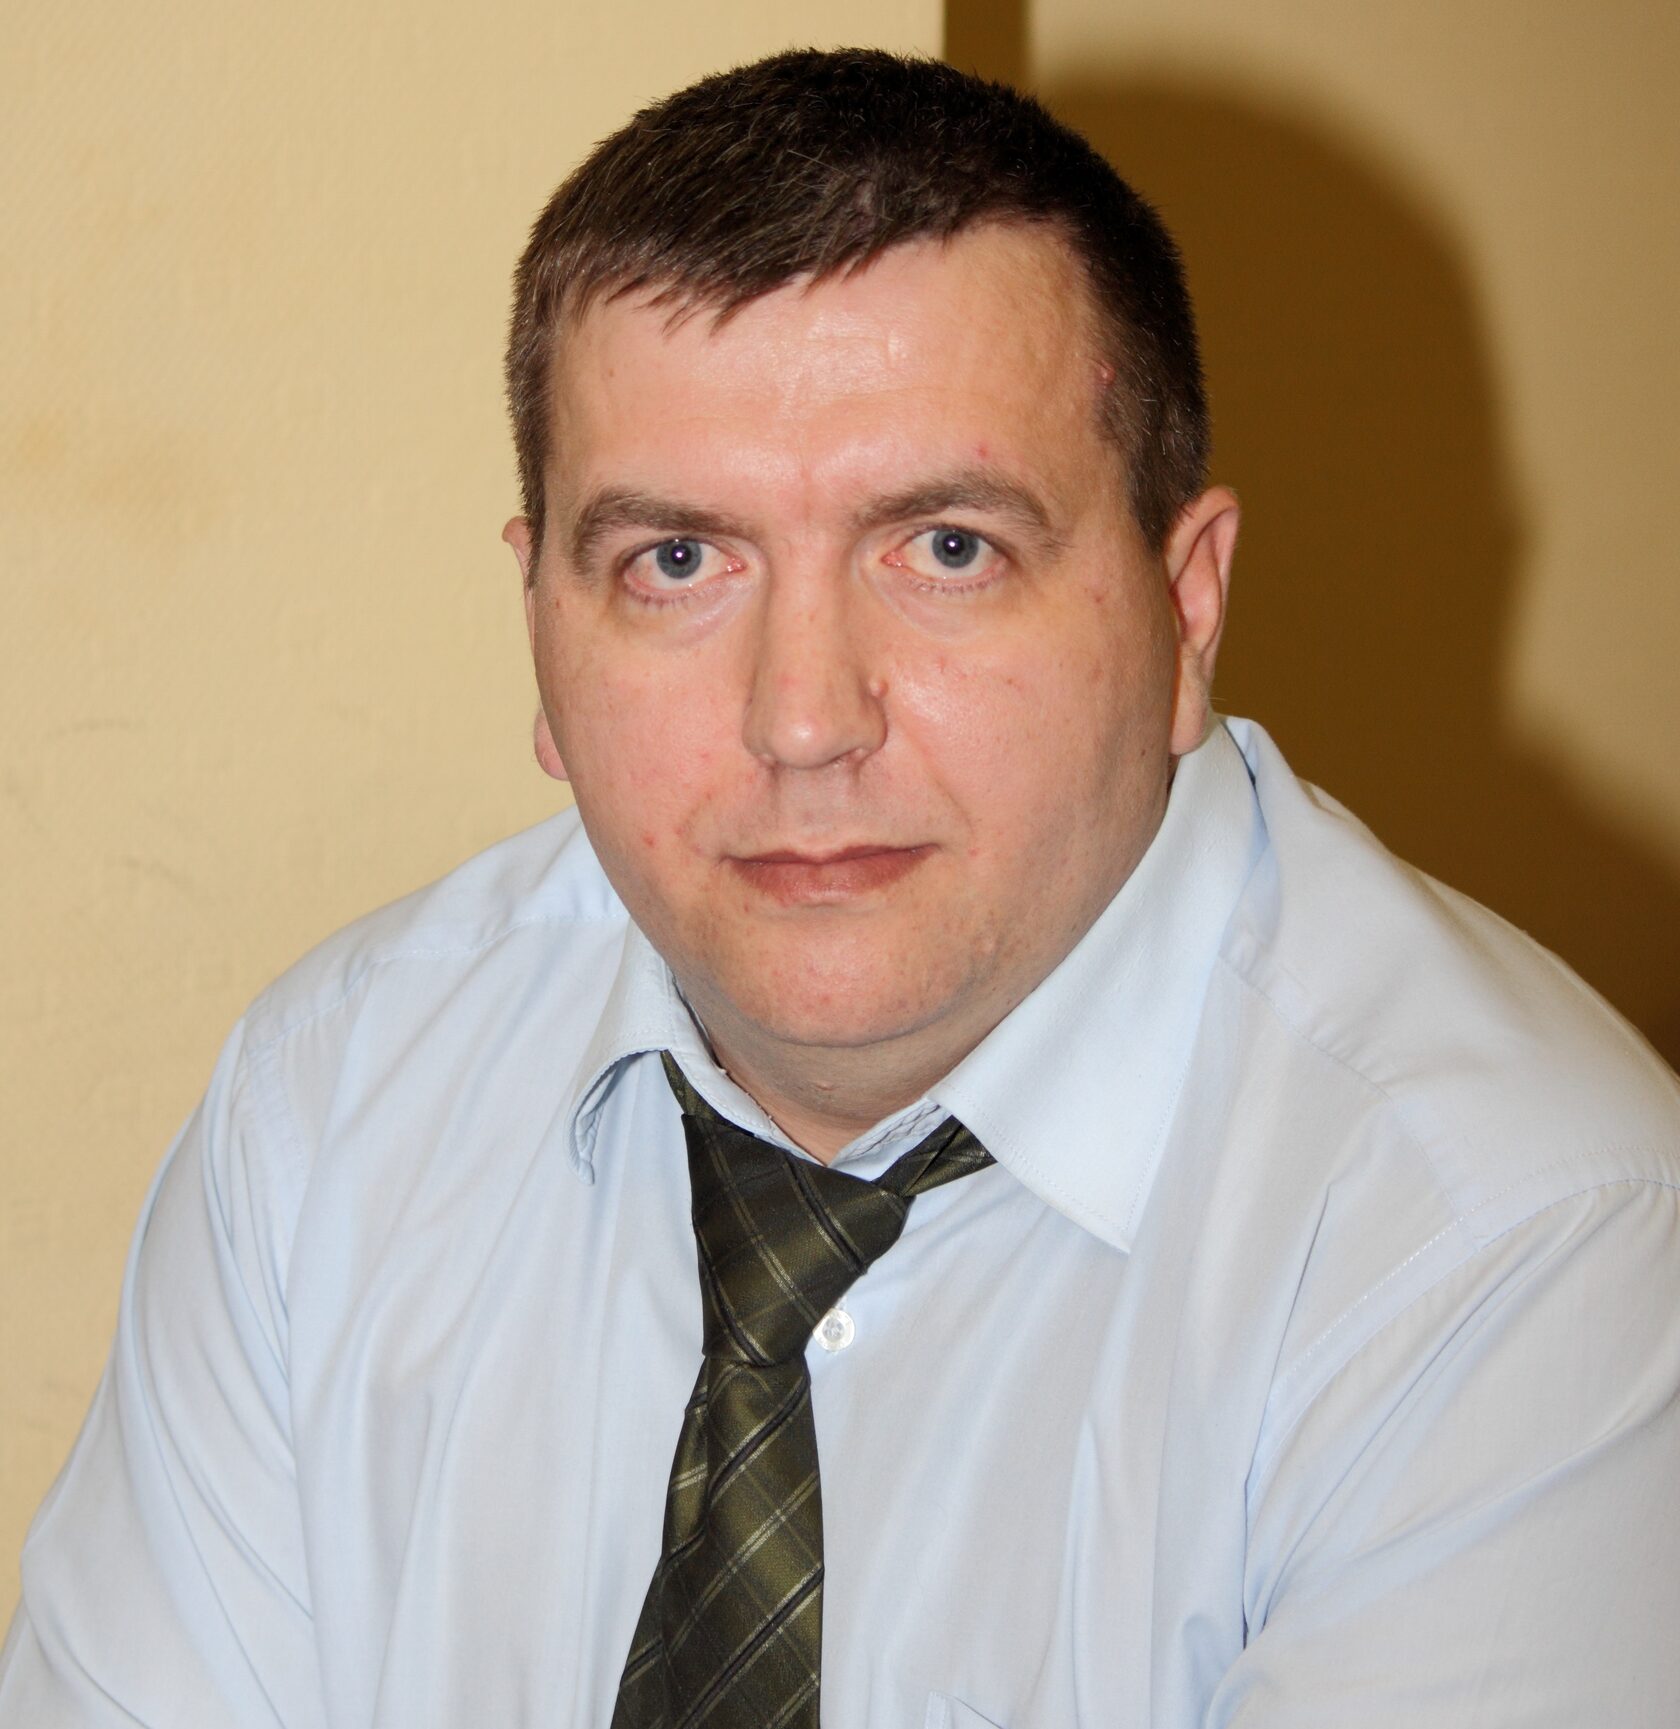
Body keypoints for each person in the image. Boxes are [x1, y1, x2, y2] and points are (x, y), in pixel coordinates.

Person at [3, 46, 1678, 1729]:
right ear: (541, 627)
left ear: (1186, 609)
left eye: (948, 548)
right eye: (676, 561)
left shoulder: (1520, 1253)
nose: (804, 719)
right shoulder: (329, 1117)